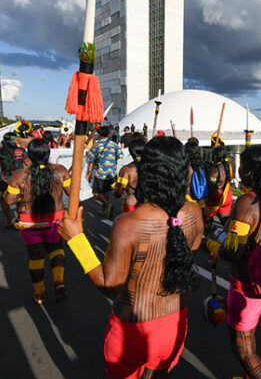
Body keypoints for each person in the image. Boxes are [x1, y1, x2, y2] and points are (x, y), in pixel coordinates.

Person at [59, 136, 204, 378]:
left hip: (132, 331)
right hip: (174, 323)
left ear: (145, 172)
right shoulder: (195, 213)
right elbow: (187, 253)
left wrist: (77, 240)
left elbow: (110, 286)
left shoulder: (128, 223)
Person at [205, 146, 261, 378]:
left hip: (246, 287)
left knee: (243, 349)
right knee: (249, 339)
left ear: (246, 172)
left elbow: (233, 251)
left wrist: (208, 244)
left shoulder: (248, 202)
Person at [5, 139, 72, 304]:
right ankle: (59, 282)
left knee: (36, 257)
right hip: (55, 219)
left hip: (28, 222)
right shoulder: (61, 171)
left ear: (30, 154)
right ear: (48, 153)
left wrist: (25, 196)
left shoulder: (19, 175)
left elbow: (9, 200)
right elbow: (71, 192)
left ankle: (40, 294)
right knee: (56, 249)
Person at [0, 133, 30, 228]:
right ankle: (20, 219)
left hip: (5, 179)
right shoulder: (21, 151)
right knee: (21, 200)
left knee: (3, 200)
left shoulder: (0, 152)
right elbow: (29, 164)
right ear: (15, 141)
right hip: (20, 179)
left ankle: (9, 219)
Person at [86, 125, 123, 218]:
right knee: (106, 191)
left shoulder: (97, 145)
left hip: (101, 173)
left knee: (96, 192)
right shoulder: (113, 144)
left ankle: (107, 205)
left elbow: (90, 160)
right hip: (111, 173)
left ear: (98, 134)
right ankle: (103, 210)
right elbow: (121, 155)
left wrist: (89, 173)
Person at [204, 146, 233, 230]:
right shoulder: (228, 166)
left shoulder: (214, 170)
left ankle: (207, 235)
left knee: (207, 218)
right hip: (227, 194)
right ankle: (230, 237)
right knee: (225, 221)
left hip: (216, 197)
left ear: (215, 156)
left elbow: (211, 183)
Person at [113, 136, 146, 214]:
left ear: (131, 152)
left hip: (131, 205)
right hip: (149, 207)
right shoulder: (154, 166)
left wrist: (116, 188)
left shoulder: (126, 170)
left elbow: (118, 192)